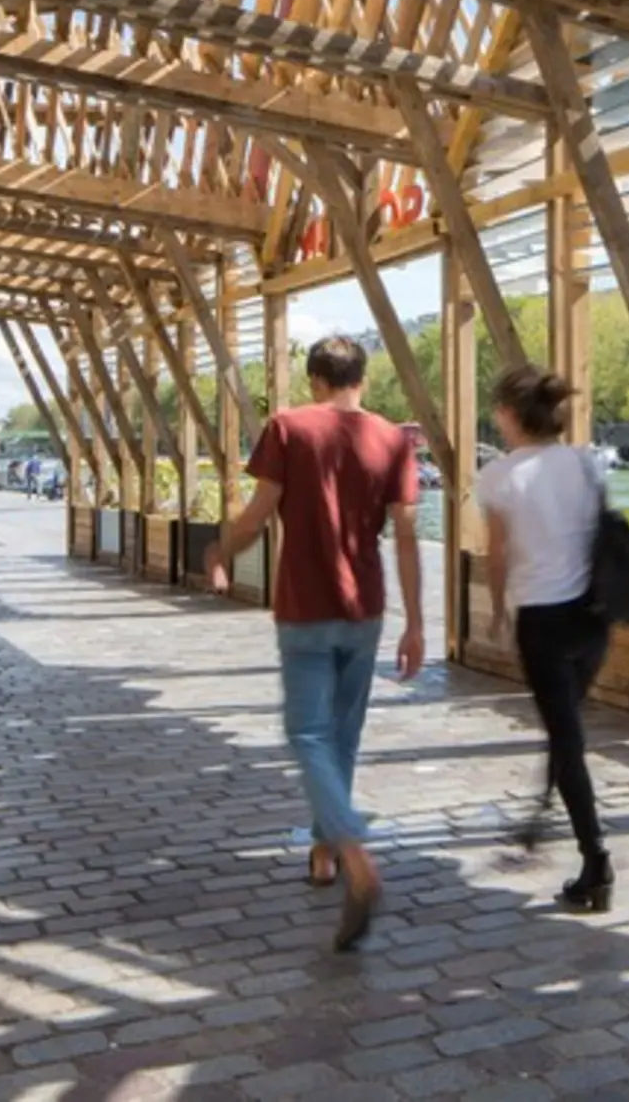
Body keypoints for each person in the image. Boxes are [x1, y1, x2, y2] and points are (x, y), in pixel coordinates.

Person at [205, 336, 424, 952]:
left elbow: (258, 513)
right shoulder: (393, 439)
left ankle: (350, 852)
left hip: (304, 605)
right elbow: (406, 537)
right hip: (367, 610)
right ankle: (323, 850)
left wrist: (224, 551)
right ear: (365, 379)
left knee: (307, 734)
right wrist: (417, 623)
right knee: (344, 735)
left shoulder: (288, 427)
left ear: (314, 380)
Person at [478, 365, 615, 914]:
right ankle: (552, 821)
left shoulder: (499, 477)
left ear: (511, 415)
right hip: (592, 618)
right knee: (565, 733)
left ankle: (595, 860)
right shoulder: (587, 462)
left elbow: (498, 554)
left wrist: (495, 611)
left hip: (542, 620)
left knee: (566, 740)